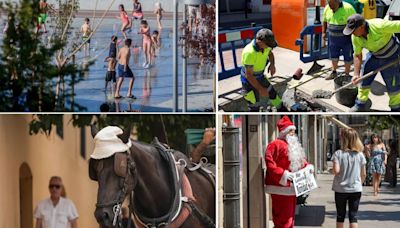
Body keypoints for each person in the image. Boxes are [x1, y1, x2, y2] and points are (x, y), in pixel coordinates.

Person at [343, 14, 400, 111]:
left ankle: (395, 109)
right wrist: (356, 74)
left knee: (393, 86)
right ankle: (360, 104)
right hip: (375, 56)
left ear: (361, 26)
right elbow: (357, 55)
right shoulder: (355, 37)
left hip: (391, 57)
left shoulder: (379, 25)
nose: (352, 34)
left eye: (353, 31)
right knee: (363, 80)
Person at [264, 116, 313, 228]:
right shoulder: (275, 144)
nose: (293, 133)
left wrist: (307, 167)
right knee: (283, 220)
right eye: (291, 131)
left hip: (292, 188)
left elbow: (300, 161)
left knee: (290, 219)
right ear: (284, 132)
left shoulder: (292, 146)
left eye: (294, 131)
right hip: (280, 187)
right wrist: (283, 175)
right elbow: (269, 162)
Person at [240, 28, 283, 112]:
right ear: (260, 41)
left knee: (272, 93)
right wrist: (260, 89)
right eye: (268, 45)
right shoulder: (249, 52)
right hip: (248, 80)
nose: (269, 47)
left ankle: (282, 110)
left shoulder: (266, 46)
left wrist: (272, 65)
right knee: (254, 105)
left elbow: (270, 54)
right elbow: (249, 75)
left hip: (260, 76)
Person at [332, 128, 366, 228]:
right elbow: (363, 174)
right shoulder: (360, 155)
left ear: (343, 139)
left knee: (340, 216)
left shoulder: (338, 154)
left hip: (340, 189)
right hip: (355, 189)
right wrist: (359, 183)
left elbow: (336, 171)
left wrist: (331, 170)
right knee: (353, 216)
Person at [322, 0, 356, 80]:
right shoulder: (327, 8)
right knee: (333, 56)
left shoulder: (348, 8)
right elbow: (324, 21)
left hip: (346, 40)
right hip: (333, 40)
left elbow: (356, 22)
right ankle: (334, 72)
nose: (332, 9)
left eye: (333, 7)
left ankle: (347, 75)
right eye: (330, 6)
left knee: (348, 57)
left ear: (337, 1)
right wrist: (323, 32)